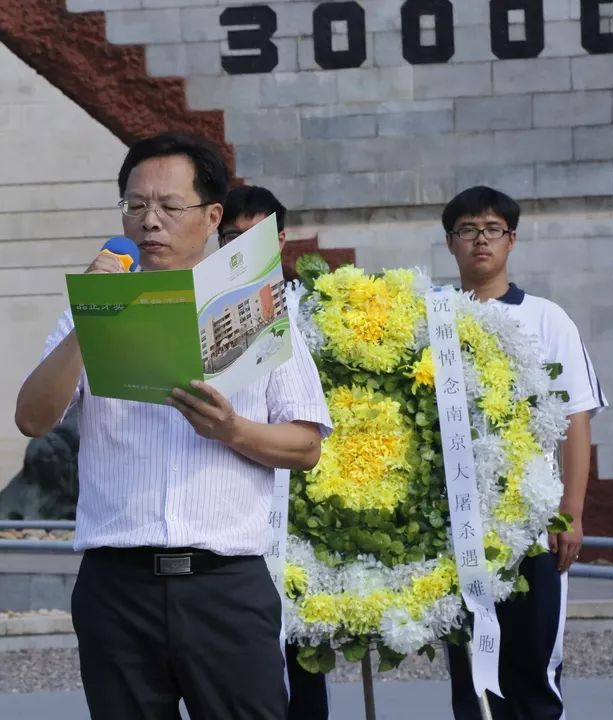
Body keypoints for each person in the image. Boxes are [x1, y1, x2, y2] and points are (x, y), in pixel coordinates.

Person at [15, 133, 332, 720]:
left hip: (226, 587)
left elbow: (307, 444)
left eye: (168, 206)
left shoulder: (262, 309)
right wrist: (92, 316)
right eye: (135, 206)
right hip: (118, 588)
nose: (149, 222)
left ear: (212, 216)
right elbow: (33, 418)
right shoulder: (87, 312)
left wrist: (234, 430)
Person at [440, 186, 607, 720]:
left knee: (533, 673)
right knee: (472, 681)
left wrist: (572, 513)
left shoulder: (546, 319)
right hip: (457, 531)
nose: (480, 240)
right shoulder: (433, 319)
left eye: (491, 229)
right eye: (467, 230)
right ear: (450, 243)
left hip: (534, 532)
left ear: (511, 239)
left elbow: (575, 420)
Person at [220, 185, 332, 720]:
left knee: (307, 643)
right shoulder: (210, 310)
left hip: (312, 495)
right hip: (247, 501)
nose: (241, 248)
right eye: (230, 238)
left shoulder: (316, 305)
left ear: (281, 239)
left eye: (255, 237)